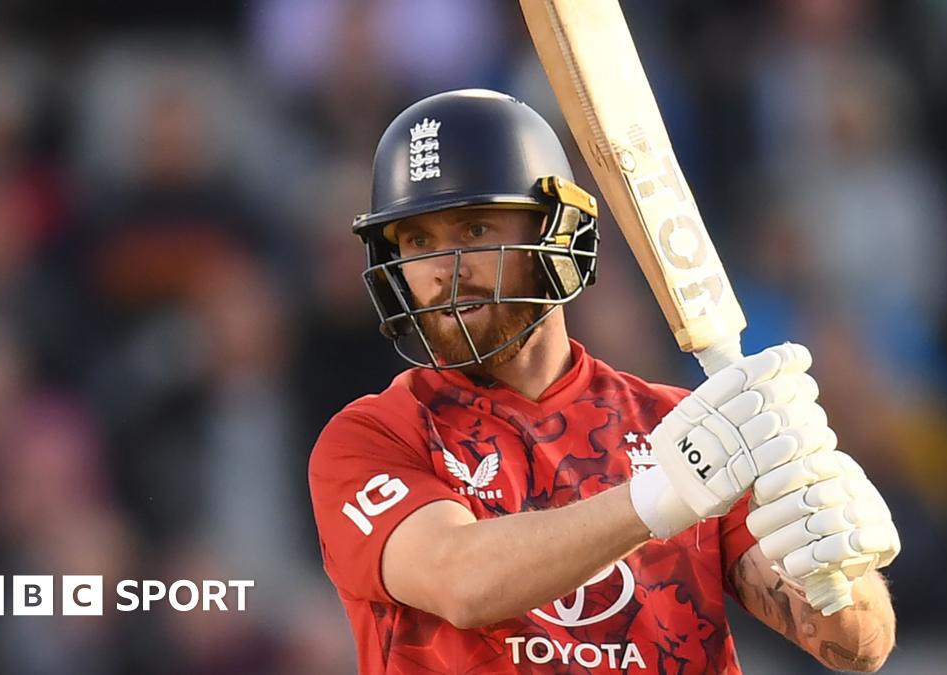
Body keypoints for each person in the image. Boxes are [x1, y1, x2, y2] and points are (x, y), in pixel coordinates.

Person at [309, 89, 900, 674]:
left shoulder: (680, 425)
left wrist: (838, 570)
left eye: (474, 230)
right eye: (417, 242)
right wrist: (659, 496)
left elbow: (856, 649)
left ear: (557, 235)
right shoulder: (371, 438)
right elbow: (463, 581)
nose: (442, 272)